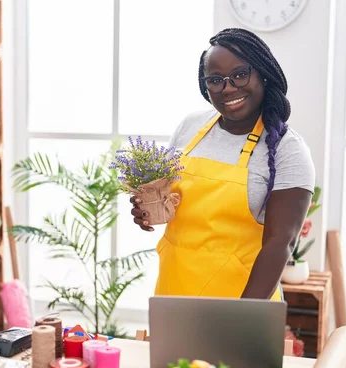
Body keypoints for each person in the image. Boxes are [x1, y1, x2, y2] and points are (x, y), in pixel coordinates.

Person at [130, 28, 315, 301]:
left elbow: (280, 244)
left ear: (263, 73)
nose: (228, 88)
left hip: (243, 305)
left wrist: (240, 319)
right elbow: (177, 203)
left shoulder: (288, 150)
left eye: (240, 75)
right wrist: (150, 208)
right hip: (173, 296)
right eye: (215, 80)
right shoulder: (190, 127)